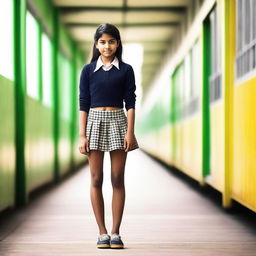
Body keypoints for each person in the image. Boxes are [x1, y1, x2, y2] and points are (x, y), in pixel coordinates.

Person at [78, 23, 139, 249]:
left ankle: (115, 232)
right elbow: (83, 103)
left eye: (112, 41)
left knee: (117, 178)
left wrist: (130, 132)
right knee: (95, 179)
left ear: (118, 43)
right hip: (94, 122)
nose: (107, 46)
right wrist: (82, 135)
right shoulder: (87, 70)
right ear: (96, 44)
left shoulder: (126, 69)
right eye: (102, 42)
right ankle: (102, 232)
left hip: (118, 122)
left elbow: (130, 102)